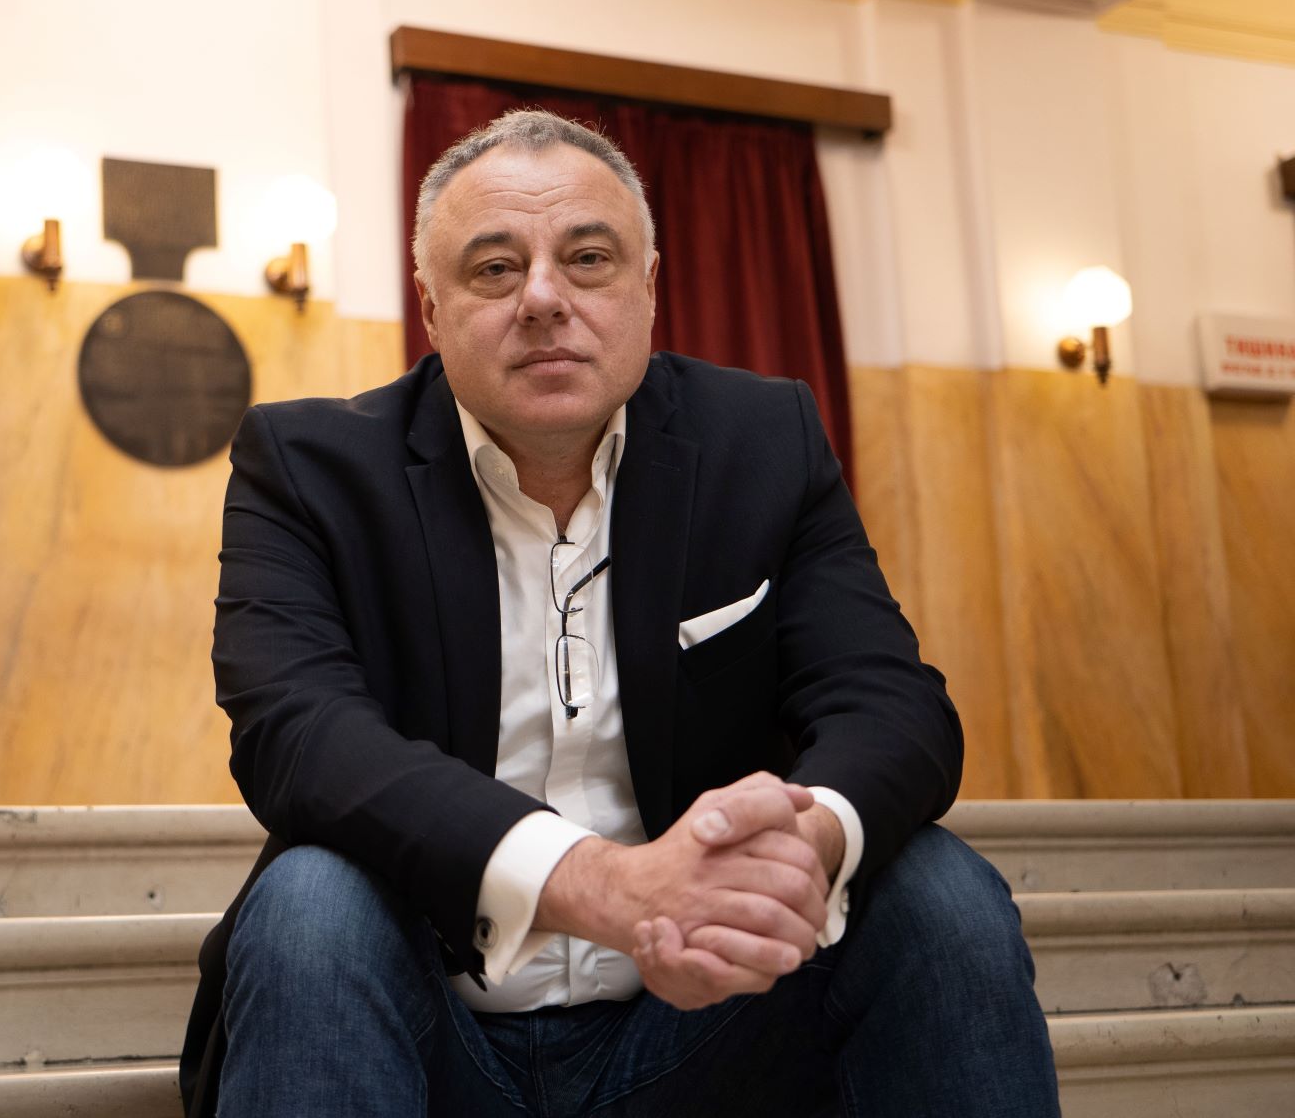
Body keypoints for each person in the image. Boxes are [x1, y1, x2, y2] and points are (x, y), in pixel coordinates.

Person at [179, 110, 1057, 1117]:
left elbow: (892, 704)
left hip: (703, 1026)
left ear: (649, 287)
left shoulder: (765, 441)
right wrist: (605, 886)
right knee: (311, 900)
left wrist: (792, 853)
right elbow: (301, 739)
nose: (543, 298)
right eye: (495, 269)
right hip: (427, 1027)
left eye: (588, 259)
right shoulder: (308, 468)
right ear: (431, 308)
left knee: (936, 886)